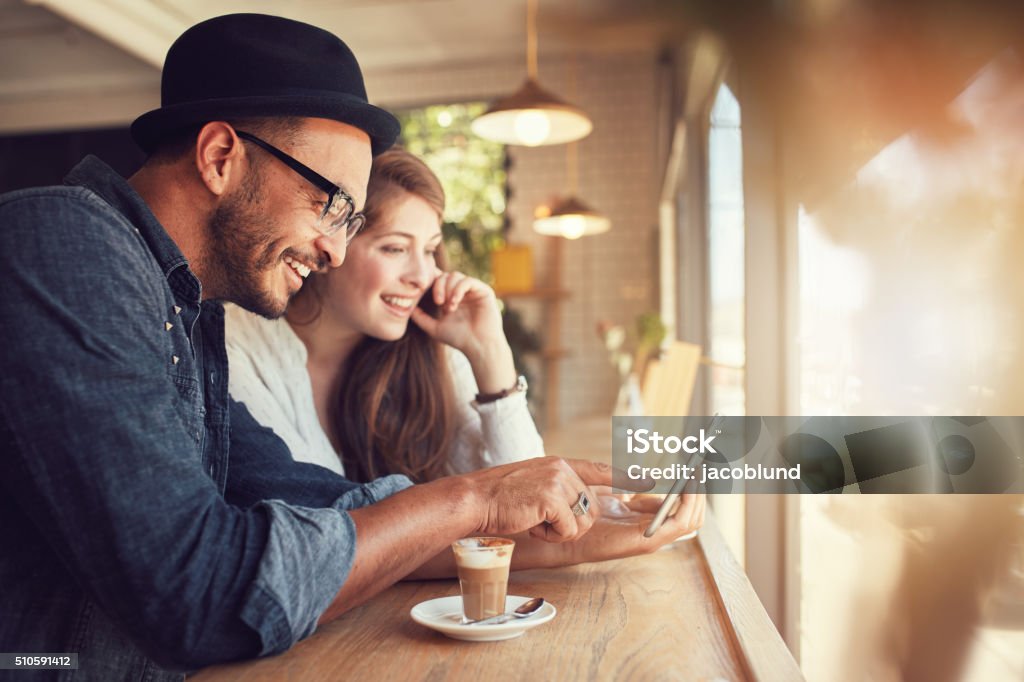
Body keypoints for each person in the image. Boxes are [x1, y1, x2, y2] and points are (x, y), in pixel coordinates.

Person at [0, 13, 703, 682]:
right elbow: (199, 590)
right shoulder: (62, 245)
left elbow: (328, 511)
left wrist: (597, 531)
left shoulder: (188, 310)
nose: (336, 249)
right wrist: (473, 500)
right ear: (221, 157)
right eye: (331, 205)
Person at [225, 148, 543, 481]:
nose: (422, 276)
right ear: (331, 243)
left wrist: (490, 354)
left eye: (430, 250)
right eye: (395, 248)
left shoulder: (433, 354)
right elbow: (308, 509)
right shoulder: (237, 345)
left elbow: (529, 497)